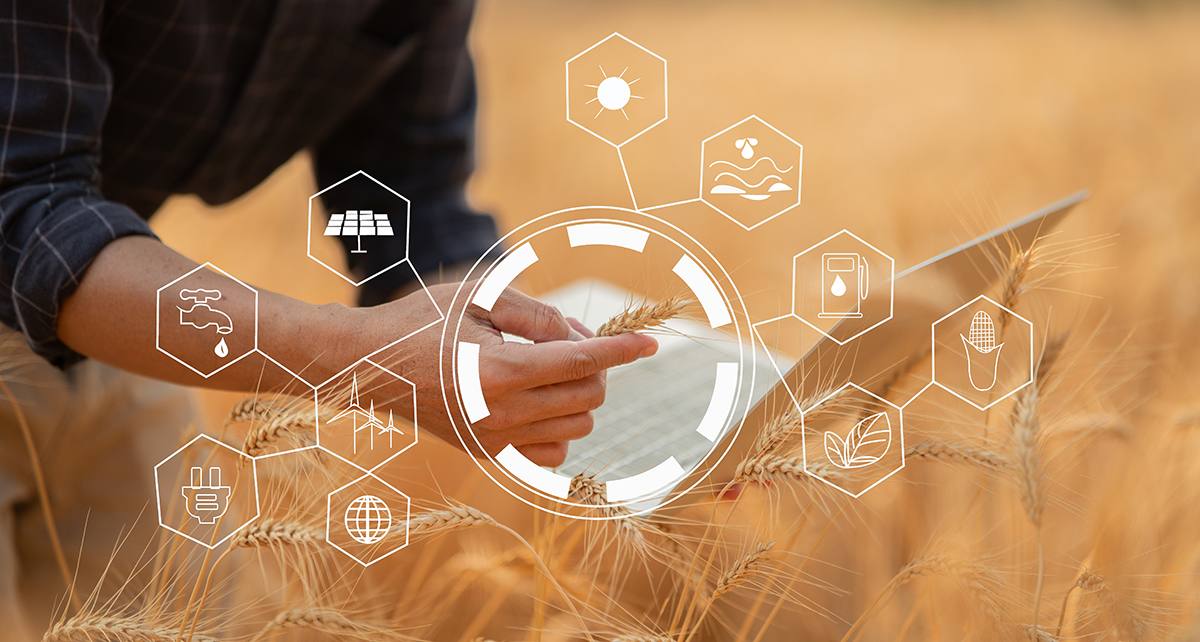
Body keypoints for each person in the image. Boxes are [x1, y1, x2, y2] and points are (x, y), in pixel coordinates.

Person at [0, 0, 656, 636]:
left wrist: (597, 410)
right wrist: (364, 359)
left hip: (115, 314)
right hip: (93, 286)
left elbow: (412, 204)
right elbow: (22, 205)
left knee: (195, 619)